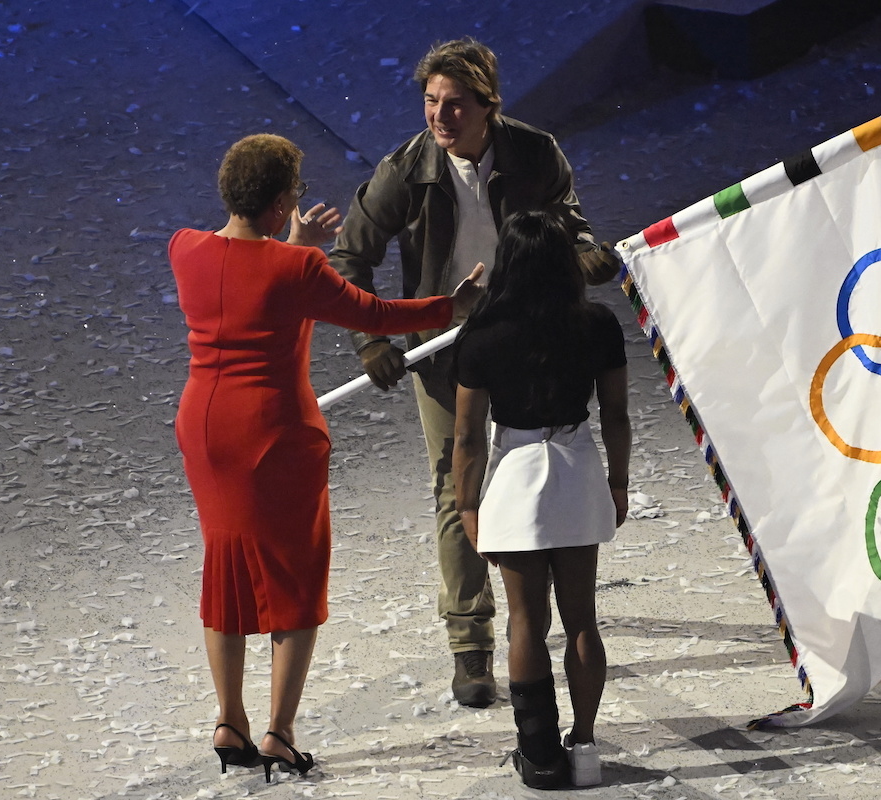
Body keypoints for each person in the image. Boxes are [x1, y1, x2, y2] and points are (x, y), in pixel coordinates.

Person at [169, 133, 482, 782]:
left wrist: (290, 244)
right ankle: (280, 733)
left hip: (205, 432)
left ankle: (230, 720)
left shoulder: (186, 249)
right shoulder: (299, 271)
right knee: (296, 580)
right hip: (273, 438)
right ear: (284, 200)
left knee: (225, 567)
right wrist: (454, 306)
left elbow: (251, 280)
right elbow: (375, 313)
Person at [328, 36, 621, 708]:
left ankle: (557, 614)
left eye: (454, 104)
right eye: (431, 101)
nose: (439, 116)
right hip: (446, 348)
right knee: (453, 483)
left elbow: (568, 227)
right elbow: (348, 257)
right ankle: (470, 643)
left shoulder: (535, 154)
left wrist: (585, 256)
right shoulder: (407, 170)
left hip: (525, 338)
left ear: (488, 106)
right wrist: (370, 334)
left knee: (545, 465)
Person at [451, 210, 630, 789]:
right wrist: (619, 483)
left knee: (526, 620)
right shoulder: (598, 324)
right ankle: (583, 744)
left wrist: (468, 506)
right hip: (577, 471)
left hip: (516, 476)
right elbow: (618, 414)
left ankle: (539, 754)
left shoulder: (482, 332)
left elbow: (467, 436)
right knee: (582, 619)